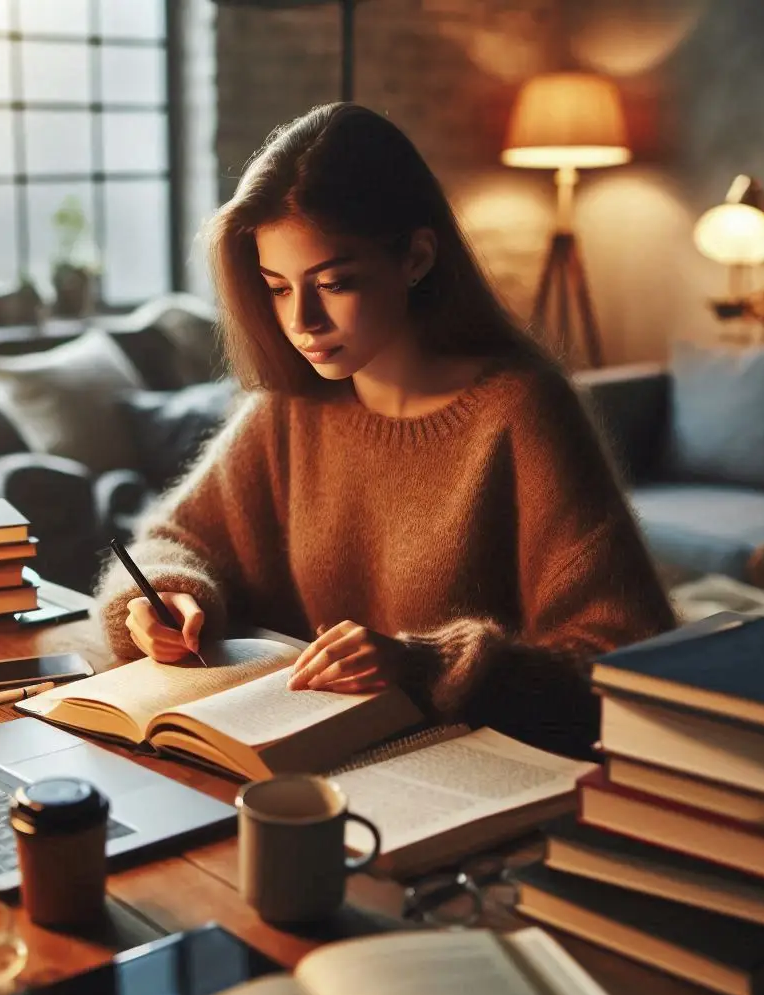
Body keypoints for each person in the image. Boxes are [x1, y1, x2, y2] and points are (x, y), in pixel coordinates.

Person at [95, 102, 674, 759]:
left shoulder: (519, 410)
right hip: (294, 770)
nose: (302, 321)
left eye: (334, 282)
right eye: (278, 288)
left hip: (472, 785)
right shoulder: (290, 408)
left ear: (418, 257)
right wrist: (169, 600)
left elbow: (623, 664)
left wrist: (428, 666)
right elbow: (171, 544)